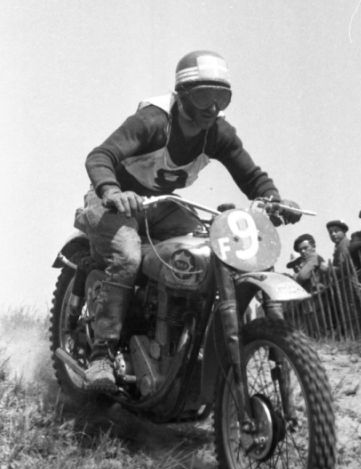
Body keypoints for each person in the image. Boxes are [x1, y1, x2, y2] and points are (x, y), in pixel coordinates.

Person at [78, 50, 301, 389]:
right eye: (203, 96)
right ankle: (101, 354)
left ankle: (180, 343)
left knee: (201, 251)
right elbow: (100, 156)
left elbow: (250, 175)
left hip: (160, 205)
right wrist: (111, 190)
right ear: (182, 95)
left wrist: (273, 198)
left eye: (221, 98)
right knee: (127, 257)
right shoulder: (153, 122)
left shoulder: (218, 133)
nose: (212, 107)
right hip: (114, 202)